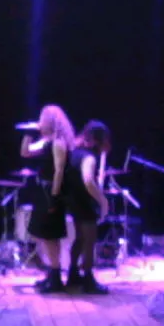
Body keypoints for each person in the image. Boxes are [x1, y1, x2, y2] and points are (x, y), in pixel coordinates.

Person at [20, 104, 75, 293]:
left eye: (42, 118)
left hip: (51, 193)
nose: (40, 121)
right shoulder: (46, 142)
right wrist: (28, 133)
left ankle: (56, 277)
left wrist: (54, 196)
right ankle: (52, 274)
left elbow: (59, 171)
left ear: (50, 121)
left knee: (50, 235)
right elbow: (25, 152)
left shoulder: (58, 142)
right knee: (44, 234)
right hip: (42, 192)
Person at [65, 120, 112, 294]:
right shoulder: (89, 157)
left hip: (74, 201)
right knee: (89, 241)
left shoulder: (76, 152)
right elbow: (88, 180)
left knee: (79, 239)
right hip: (85, 202)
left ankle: (73, 274)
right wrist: (102, 200)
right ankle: (88, 280)